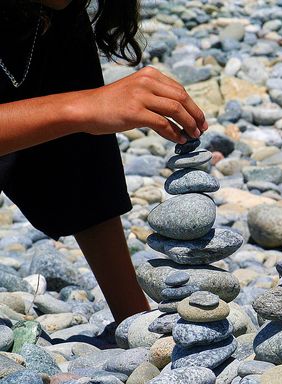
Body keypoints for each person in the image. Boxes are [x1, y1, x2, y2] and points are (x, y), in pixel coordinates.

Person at [0, 0, 208, 323]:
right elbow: (80, 112)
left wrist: (135, 324)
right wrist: (81, 108)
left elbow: (85, 172)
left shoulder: (57, 12)